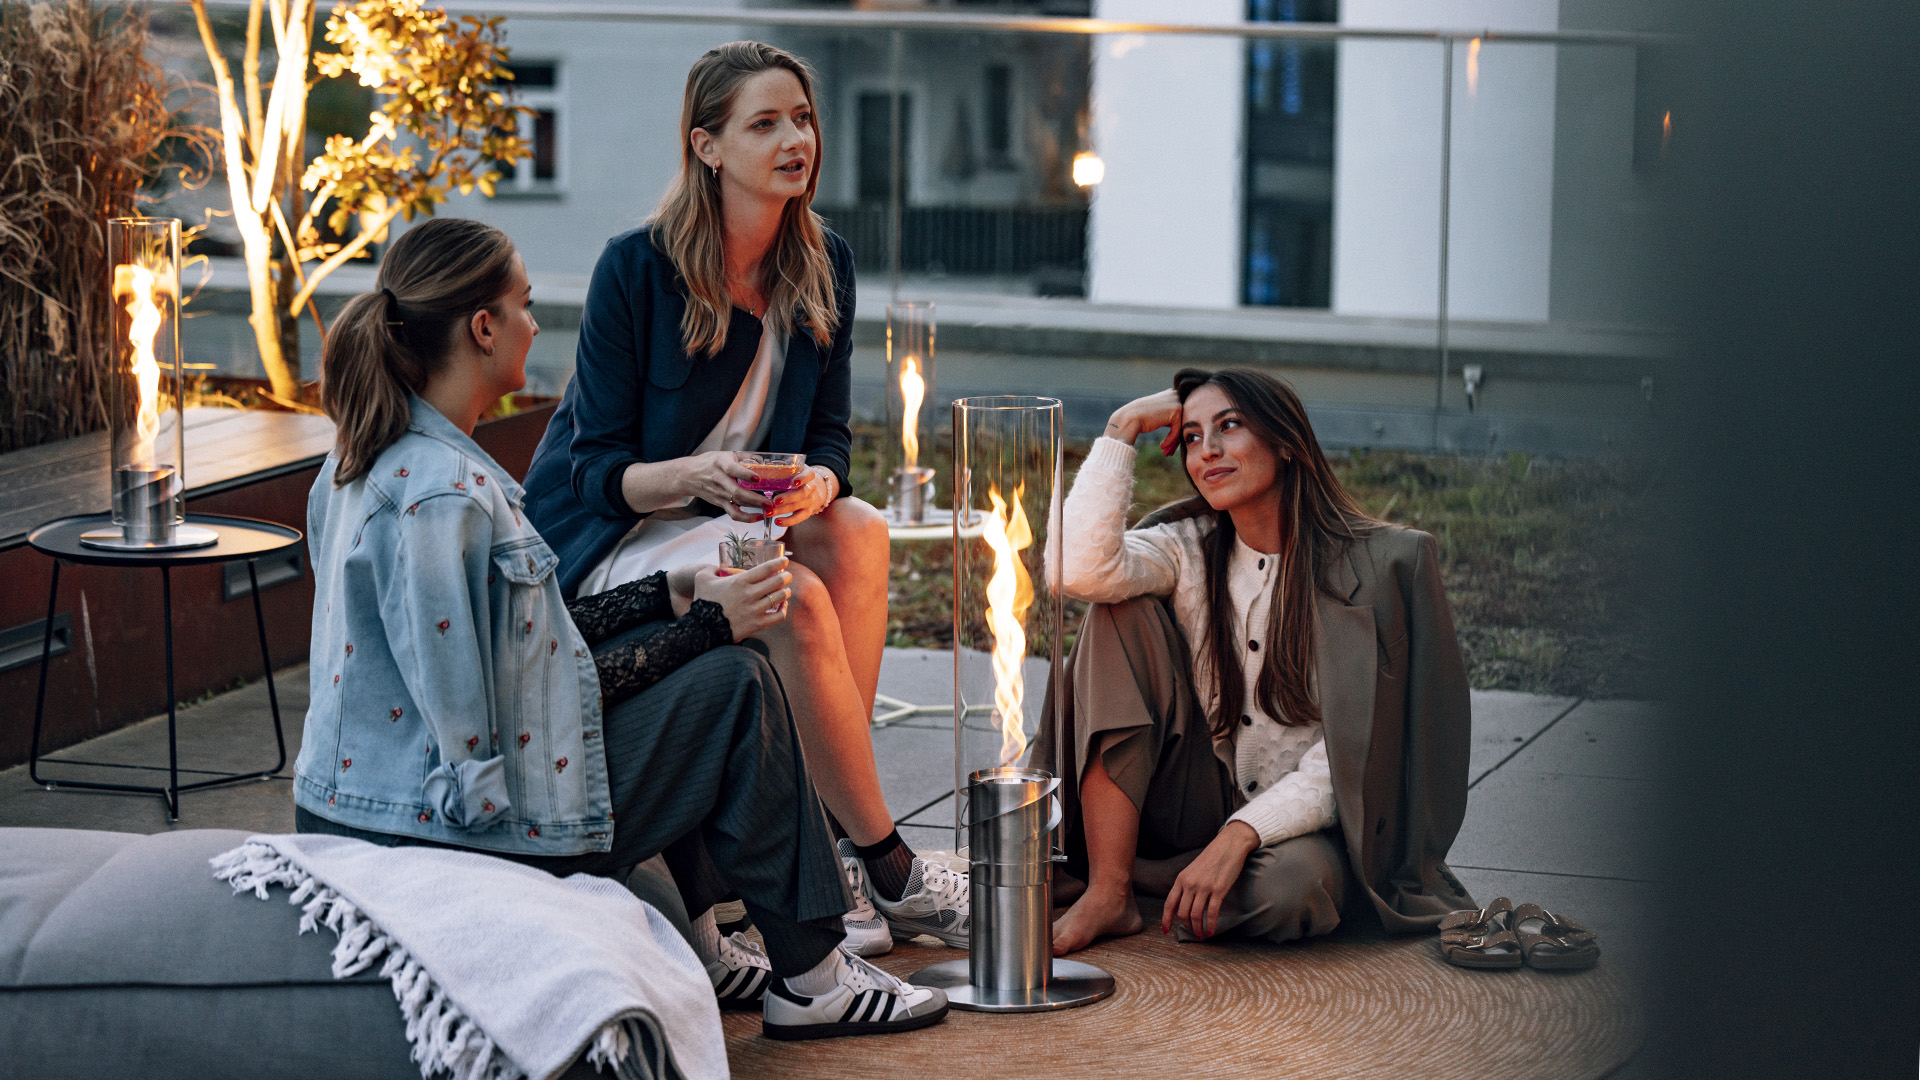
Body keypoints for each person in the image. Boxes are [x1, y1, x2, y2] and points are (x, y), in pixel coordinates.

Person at [292, 216, 948, 1039]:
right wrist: (705, 628)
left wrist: (670, 594)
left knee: (711, 670)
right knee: (731, 689)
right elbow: (505, 715)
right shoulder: (447, 500)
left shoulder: (365, 464)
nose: (537, 325)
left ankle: (719, 947)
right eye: (523, 305)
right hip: (444, 835)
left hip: (378, 805)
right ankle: (815, 978)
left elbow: (530, 640)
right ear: (482, 328)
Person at [520, 41, 967, 958]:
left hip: (740, 520)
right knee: (790, 595)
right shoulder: (636, 268)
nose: (795, 138)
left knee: (859, 533)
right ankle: (886, 865)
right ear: (708, 147)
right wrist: (693, 477)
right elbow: (592, 471)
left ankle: (827, 832)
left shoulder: (823, 262)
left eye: (802, 118)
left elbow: (835, 439)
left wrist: (820, 484)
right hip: (623, 534)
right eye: (765, 123)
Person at [1037, 367, 1475, 955]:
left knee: (1292, 891)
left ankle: (1164, 873)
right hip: (1196, 790)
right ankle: (1112, 888)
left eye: (1230, 426)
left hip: (1308, 821)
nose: (1207, 451)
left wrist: (1242, 835)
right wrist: (1123, 428)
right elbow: (1076, 571)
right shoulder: (1187, 545)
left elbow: (1355, 756)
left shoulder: (1377, 569)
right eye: (1191, 436)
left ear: (1287, 444)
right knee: (1117, 609)